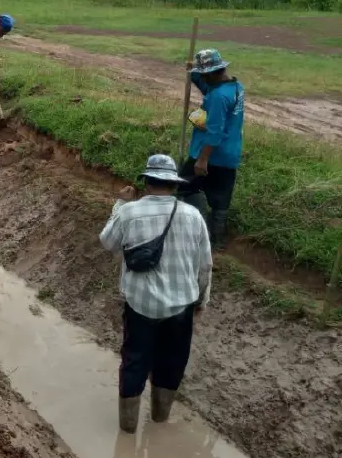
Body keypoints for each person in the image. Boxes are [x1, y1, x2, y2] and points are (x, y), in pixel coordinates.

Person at [99, 154, 212, 434]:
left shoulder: (129, 212)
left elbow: (107, 242)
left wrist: (120, 204)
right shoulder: (193, 215)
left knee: (135, 361)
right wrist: (201, 300)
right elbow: (205, 264)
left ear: (147, 182)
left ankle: (128, 428)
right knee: (171, 362)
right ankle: (160, 419)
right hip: (180, 307)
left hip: (141, 306)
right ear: (173, 184)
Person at [180, 49, 245, 251]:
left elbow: (215, 131)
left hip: (210, 153)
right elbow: (207, 87)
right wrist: (193, 73)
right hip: (229, 153)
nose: (203, 79)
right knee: (221, 198)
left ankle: (200, 230)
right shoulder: (234, 86)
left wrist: (202, 159)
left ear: (213, 73)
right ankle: (218, 241)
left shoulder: (218, 97)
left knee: (184, 185)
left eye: (204, 74)